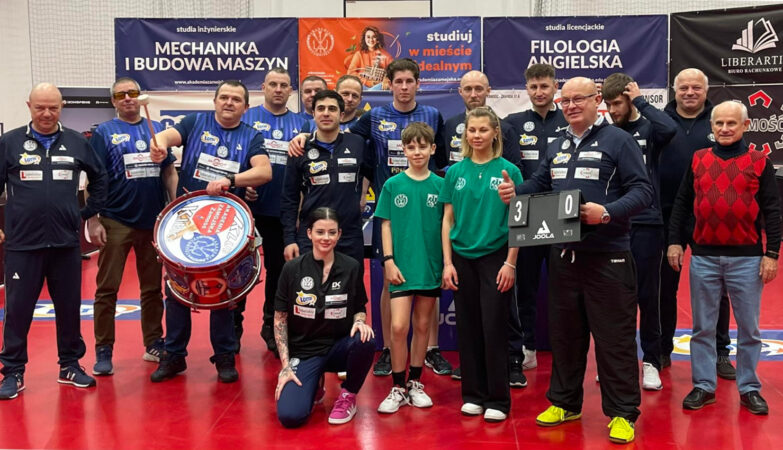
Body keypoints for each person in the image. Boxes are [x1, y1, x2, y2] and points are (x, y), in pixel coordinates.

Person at [498, 77, 652, 443]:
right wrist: (515, 191)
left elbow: (643, 191)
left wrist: (607, 212)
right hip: (564, 256)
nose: (569, 106)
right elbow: (540, 184)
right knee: (565, 336)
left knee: (614, 339)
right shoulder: (558, 143)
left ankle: (622, 413)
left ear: (596, 100)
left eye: (577, 99)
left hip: (608, 256)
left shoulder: (619, 140)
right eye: (564, 101)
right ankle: (565, 402)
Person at [290, 58, 448, 377]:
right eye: (398, 81)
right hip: (390, 212)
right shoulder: (374, 116)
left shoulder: (433, 115)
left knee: (428, 281)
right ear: (389, 85)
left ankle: (431, 349)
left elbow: (442, 159)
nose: (404, 87)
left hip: (425, 211)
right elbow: (337, 134)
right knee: (390, 280)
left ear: (418, 83)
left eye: (409, 81)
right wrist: (305, 136)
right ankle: (388, 348)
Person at [147, 80, 272, 383]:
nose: (229, 103)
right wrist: (160, 144)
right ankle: (174, 355)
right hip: (187, 220)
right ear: (215, 101)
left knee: (223, 292)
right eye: (224, 97)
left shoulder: (252, 135)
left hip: (224, 224)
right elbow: (166, 135)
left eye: (236, 99)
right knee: (177, 289)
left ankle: (225, 357)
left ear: (245, 107)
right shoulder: (195, 123)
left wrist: (232, 179)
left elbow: (264, 171)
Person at [667, 100, 780, 415]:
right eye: (719, 123)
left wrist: (772, 253)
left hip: (747, 259)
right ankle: (704, 386)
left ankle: (749, 388)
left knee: (749, 329)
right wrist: (675, 242)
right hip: (704, 257)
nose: (725, 129)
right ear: (712, 126)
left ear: (745, 125)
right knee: (702, 328)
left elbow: (773, 210)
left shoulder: (759, 162)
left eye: (731, 123)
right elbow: (682, 203)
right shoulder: (698, 159)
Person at [0, 83, 108, 399]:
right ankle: (12, 371)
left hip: (65, 244)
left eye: (53, 107)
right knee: (18, 310)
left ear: (61, 108)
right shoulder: (9, 142)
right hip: (22, 245)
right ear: (29, 106)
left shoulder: (76, 142)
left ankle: (70, 365)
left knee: (69, 307)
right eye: (40, 107)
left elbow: (100, 177)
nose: (47, 114)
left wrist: (86, 213)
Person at [88, 77, 177, 376]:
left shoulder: (156, 130)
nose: (127, 98)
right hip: (115, 220)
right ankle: (104, 349)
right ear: (113, 101)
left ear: (140, 97)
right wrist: (92, 219)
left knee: (152, 288)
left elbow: (169, 172)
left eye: (133, 93)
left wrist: (176, 208)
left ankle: (153, 343)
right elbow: (93, 178)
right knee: (107, 289)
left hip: (152, 222)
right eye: (120, 94)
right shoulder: (104, 132)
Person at [441, 107, 522, 422]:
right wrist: (447, 263)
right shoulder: (454, 172)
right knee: (468, 326)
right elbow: (447, 219)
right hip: (462, 258)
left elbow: (518, 221)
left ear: (495, 133)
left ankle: (498, 399)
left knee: (493, 326)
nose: (476, 135)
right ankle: (473, 395)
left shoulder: (509, 171)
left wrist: (510, 263)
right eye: (471, 130)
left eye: (483, 130)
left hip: (495, 258)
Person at [602, 72, 677, 390]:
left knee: (648, 295)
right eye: (608, 104)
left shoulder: (648, 127)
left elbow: (669, 129)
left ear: (630, 100)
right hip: (612, 222)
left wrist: (641, 102)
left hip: (646, 222)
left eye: (617, 104)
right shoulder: (606, 132)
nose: (612, 110)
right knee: (614, 297)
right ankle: (616, 361)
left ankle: (651, 361)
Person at [660, 68, 735, 378]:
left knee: (716, 288)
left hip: (710, 216)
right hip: (666, 214)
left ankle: (720, 351)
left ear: (706, 90)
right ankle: (661, 349)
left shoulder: (718, 122)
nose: (690, 92)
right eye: (684, 88)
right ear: (674, 90)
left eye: (696, 87)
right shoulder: (659, 122)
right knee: (664, 287)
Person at [274, 207, 375, 427]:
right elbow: (280, 319)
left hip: (338, 348)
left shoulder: (351, 267)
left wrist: (360, 321)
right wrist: (286, 367)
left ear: (339, 234)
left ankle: (348, 395)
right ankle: (315, 384)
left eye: (331, 232)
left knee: (365, 339)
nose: (326, 238)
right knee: (290, 416)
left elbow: (359, 307)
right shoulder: (292, 269)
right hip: (305, 352)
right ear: (309, 233)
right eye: (320, 232)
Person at [503, 64, 568, 376]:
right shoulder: (513, 123)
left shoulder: (569, 119)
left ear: (555, 87)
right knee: (525, 286)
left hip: (563, 211)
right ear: (526, 89)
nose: (539, 92)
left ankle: (566, 346)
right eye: (534, 87)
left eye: (545, 86)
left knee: (563, 286)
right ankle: (527, 347)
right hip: (526, 212)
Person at [375, 122, 443, 413]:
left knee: (423, 325)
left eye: (422, 147)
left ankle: (415, 383)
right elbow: (385, 225)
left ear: (432, 149)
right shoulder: (392, 185)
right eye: (411, 147)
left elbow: (447, 225)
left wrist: (446, 263)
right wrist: (389, 261)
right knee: (399, 326)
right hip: (401, 267)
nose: (417, 152)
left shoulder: (441, 185)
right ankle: (397, 387)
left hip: (429, 266)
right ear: (403, 150)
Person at [241, 68, 307, 354]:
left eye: (284, 85)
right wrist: (245, 184)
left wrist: (301, 209)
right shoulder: (248, 118)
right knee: (240, 271)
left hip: (283, 213)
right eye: (273, 84)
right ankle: (232, 329)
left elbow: (306, 170)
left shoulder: (302, 123)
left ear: (291, 91)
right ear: (263, 87)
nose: (278, 89)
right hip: (248, 210)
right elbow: (238, 157)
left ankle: (271, 326)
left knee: (279, 273)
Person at [281, 89, 373, 265]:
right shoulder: (299, 148)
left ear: (341, 115)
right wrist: (289, 239)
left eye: (332, 109)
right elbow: (289, 198)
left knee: (351, 283)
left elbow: (377, 179)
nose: (326, 113)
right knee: (311, 283)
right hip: (311, 236)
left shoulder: (357, 144)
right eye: (321, 108)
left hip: (349, 236)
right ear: (313, 113)